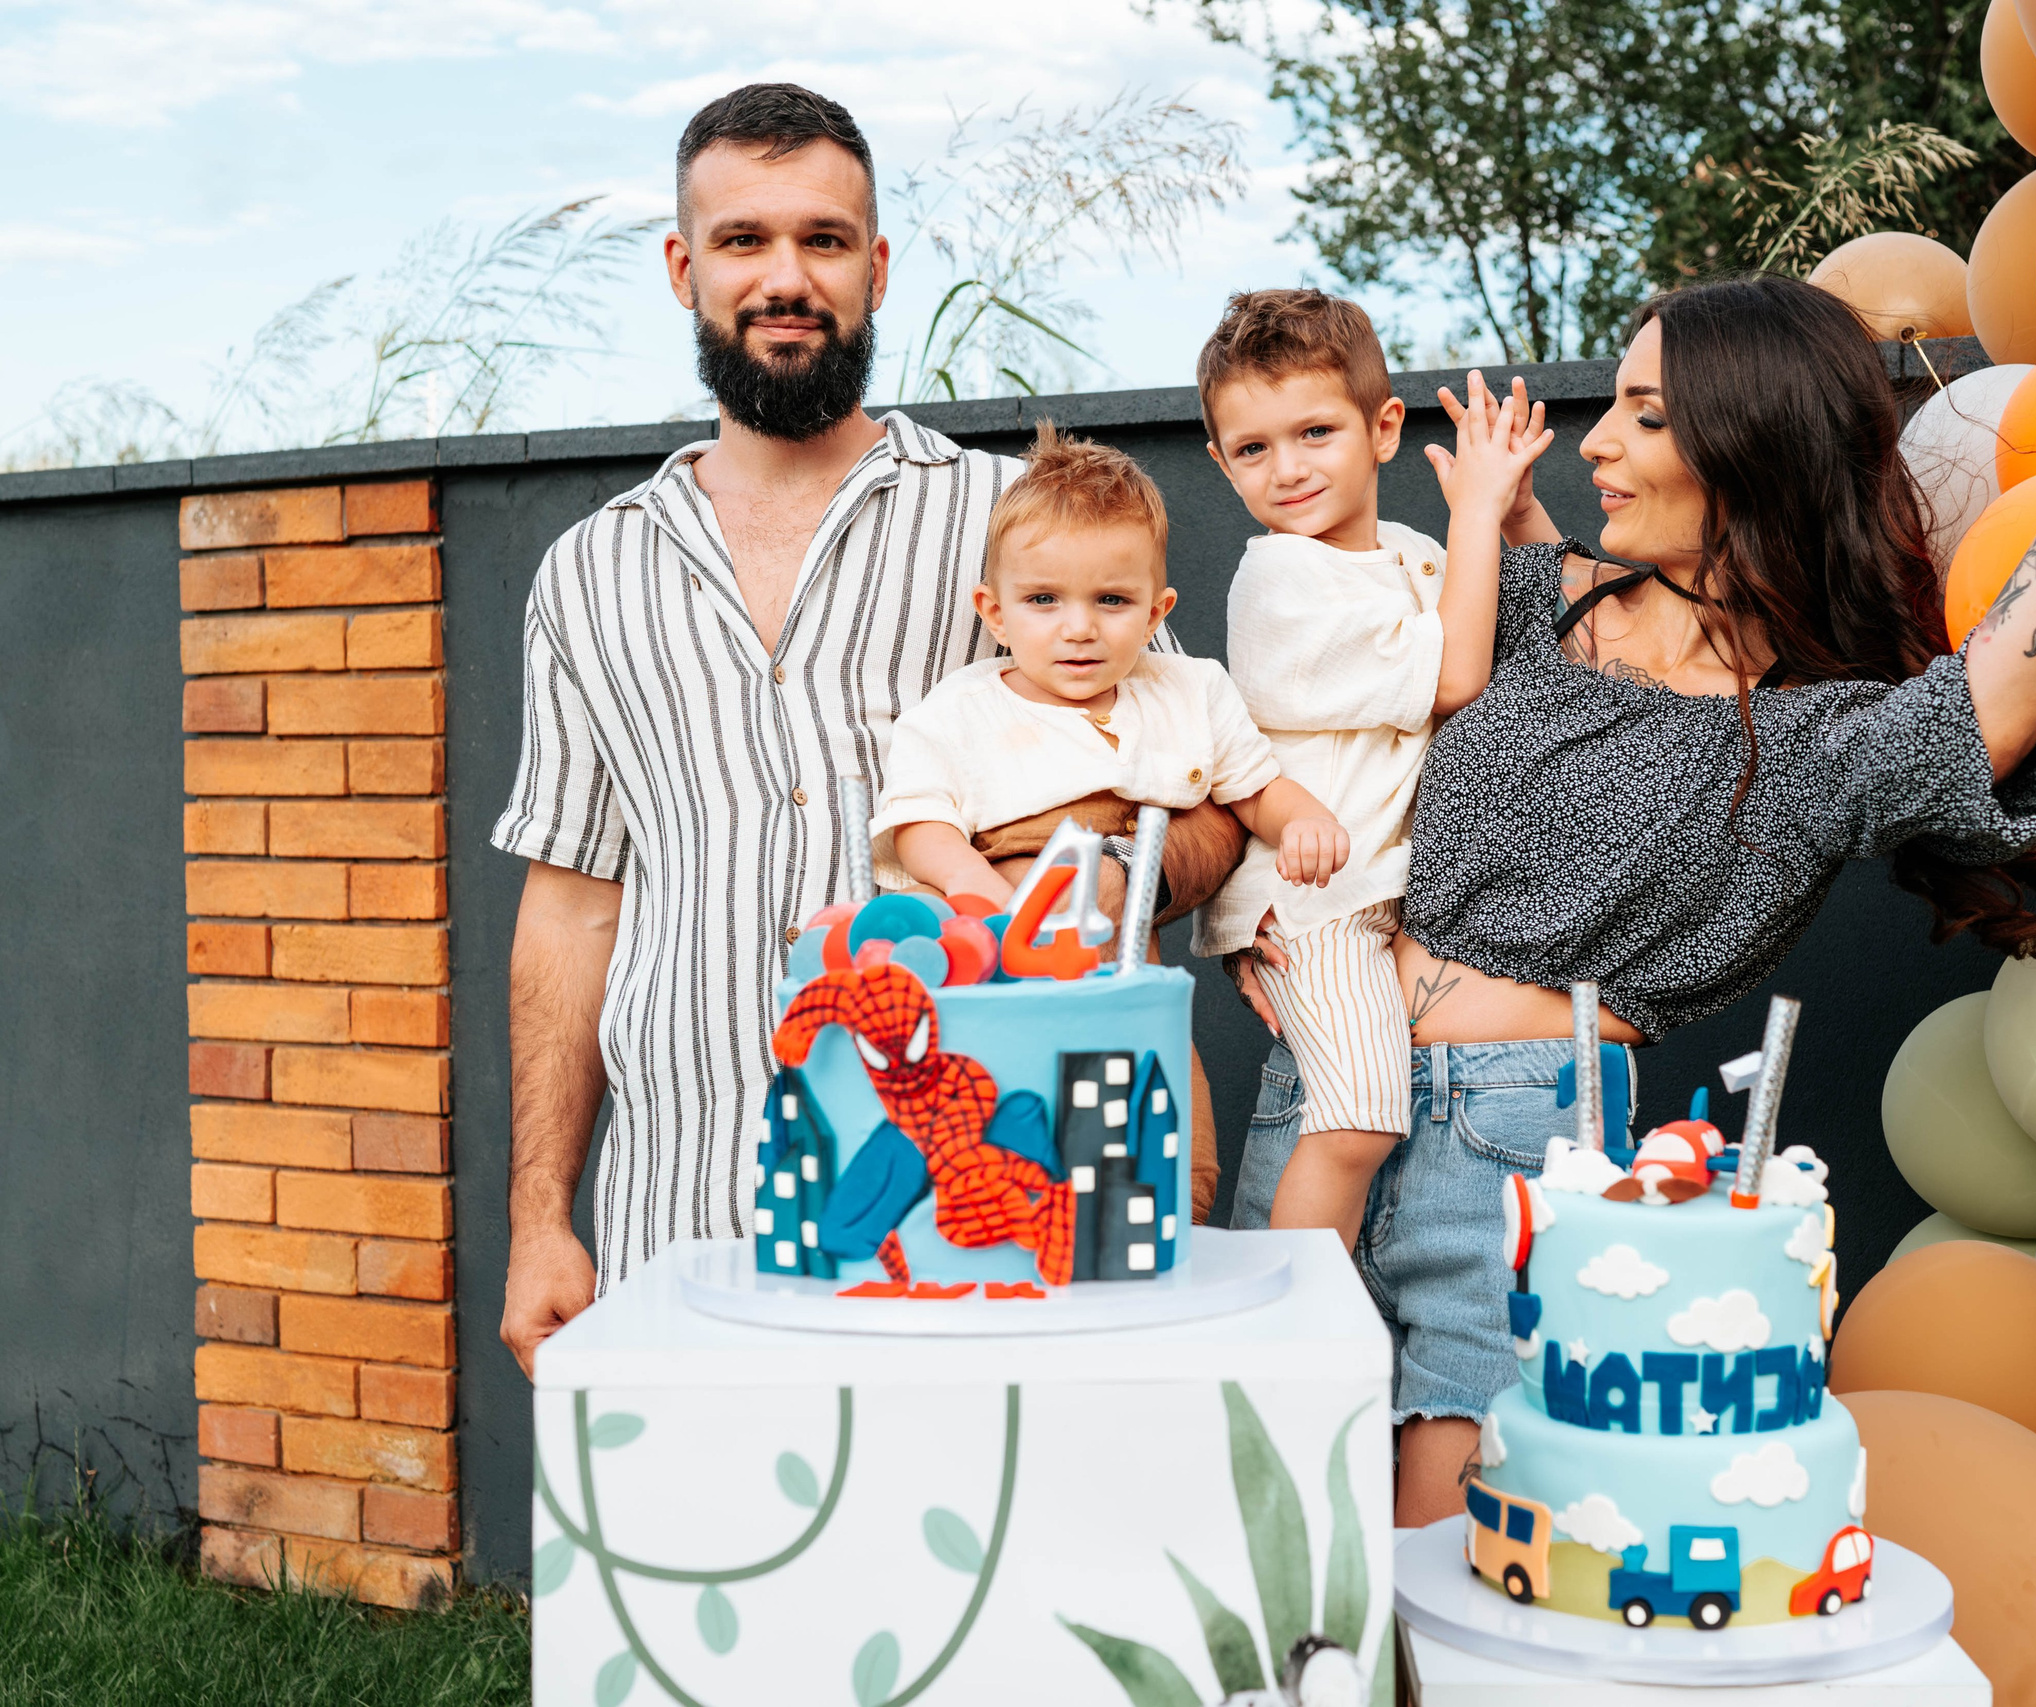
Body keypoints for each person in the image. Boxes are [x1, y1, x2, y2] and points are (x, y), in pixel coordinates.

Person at [1230, 256, 2036, 1523]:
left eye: (1645, 416)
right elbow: (1287, 738)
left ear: (1749, 450)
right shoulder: (1528, 604)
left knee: (1436, 1561)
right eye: (1613, 404)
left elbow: (1993, 708)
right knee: (1260, 1504)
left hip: (1515, 1148)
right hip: (1323, 1082)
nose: (1598, 443)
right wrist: (1266, 913)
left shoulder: (1808, 744)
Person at [495, 84, 1244, 1377]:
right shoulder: (588, 573)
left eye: (824, 240)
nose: (786, 277)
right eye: (743, 240)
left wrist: (1073, 883)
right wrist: (537, 1218)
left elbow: (1211, 799)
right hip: (681, 1217)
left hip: (973, 1222)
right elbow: (570, 911)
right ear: (683, 268)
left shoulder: (1026, 527)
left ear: (877, 267)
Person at [1193, 290, 1551, 1254]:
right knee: (1359, 1117)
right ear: (1222, 465)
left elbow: (1539, 634)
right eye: (1254, 448)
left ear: (1383, 428)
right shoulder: (1280, 579)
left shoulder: (1415, 555)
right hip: (1318, 903)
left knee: (1364, 1112)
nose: (1289, 467)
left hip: (1386, 898)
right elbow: (1457, 676)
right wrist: (1476, 509)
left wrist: (1511, 508)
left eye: (1315, 431)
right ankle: (1299, 1307)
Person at [880, 422, 1351, 910]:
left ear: (1153, 616)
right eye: (1044, 599)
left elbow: (1255, 792)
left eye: (1111, 600)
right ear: (996, 614)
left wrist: (1303, 819)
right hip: (989, 912)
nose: (1079, 629)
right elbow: (918, 820)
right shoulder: (959, 710)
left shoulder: (1190, 691)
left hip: (1112, 936)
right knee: (923, 908)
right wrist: (967, 878)